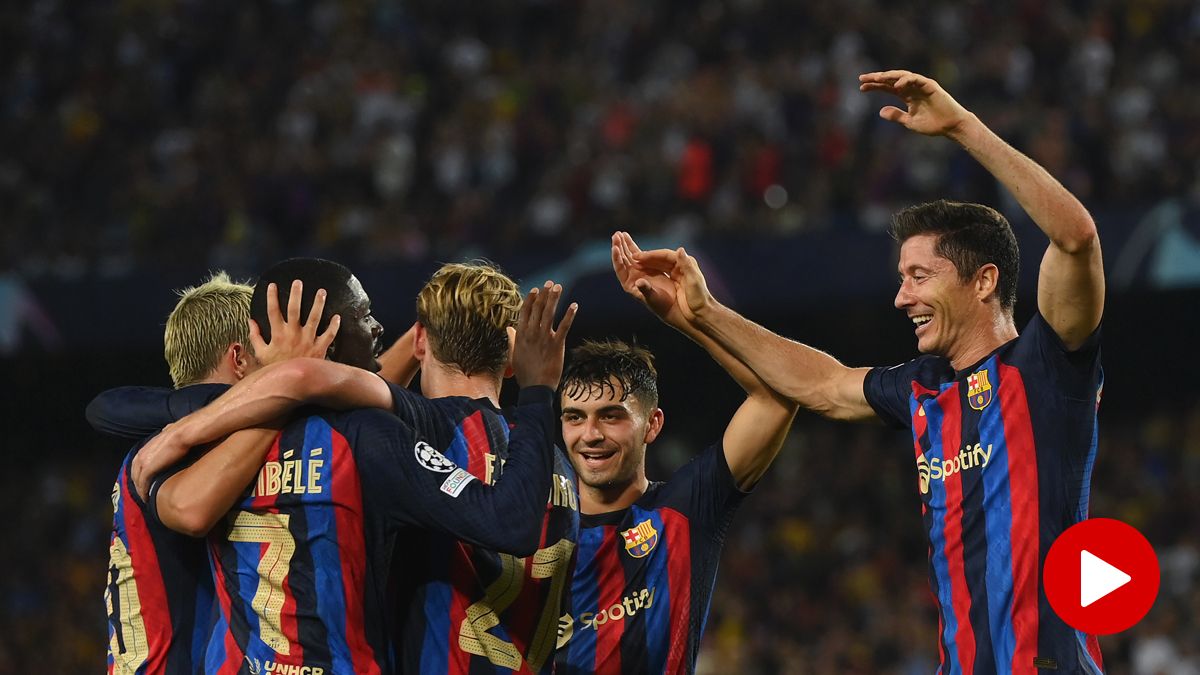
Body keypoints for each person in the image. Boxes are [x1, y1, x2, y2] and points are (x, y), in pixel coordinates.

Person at [632, 70, 1107, 674]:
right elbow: (820, 385)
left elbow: (1075, 237)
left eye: (919, 277)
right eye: (900, 278)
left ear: (983, 281)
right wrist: (703, 313)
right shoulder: (921, 387)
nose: (901, 298)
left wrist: (962, 126)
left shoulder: (1047, 368)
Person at [119, 259, 581, 673]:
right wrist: (540, 387)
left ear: (422, 339)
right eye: (365, 316)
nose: (379, 327)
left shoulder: (175, 448)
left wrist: (185, 431)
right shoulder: (375, 439)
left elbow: (162, 472)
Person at [552, 234, 797, 674]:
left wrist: (688, 316)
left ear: (653, 425)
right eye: (574, 417)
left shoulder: (685, 508)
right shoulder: (531, 525)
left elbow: (779, 394)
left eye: (611, 416)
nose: (589, 434)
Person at [100, 271, 336, 675]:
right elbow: (193, 510)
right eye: (268, 354)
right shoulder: (197, 451)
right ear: (240, 360)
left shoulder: (160, 444)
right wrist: (286, 393)